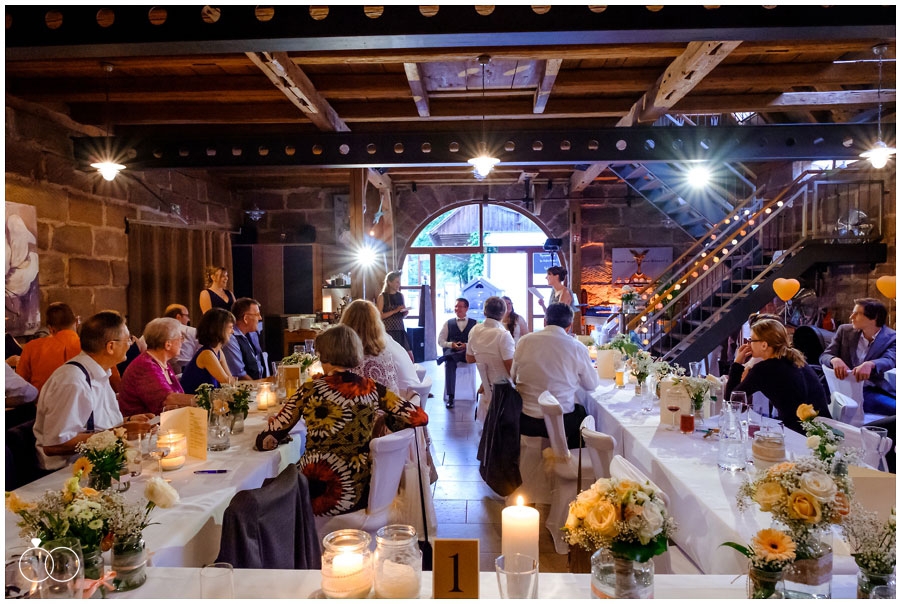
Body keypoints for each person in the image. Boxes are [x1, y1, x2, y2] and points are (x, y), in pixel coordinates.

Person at [254, 325, 428, 516]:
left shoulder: (309, 389)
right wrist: (386, 421)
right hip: (359, 492)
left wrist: (273, 435)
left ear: (323, 355)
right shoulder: (372, 388)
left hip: (315, 495)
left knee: (267, 489)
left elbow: (266, 439)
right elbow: (420, 417)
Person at [33, 311, 153, 471]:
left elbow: (94, 424)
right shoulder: (73, 381)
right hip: (68, 473)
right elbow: (54, 444)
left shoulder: (99, 373)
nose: (130, 344)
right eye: (128, 339)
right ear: (111, 346)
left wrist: (128, 421)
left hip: (102, 462)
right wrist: (119, 433)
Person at [512, 303, 599, 448]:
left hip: (527, 420)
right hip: (562, 423)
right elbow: (591, 385)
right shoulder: (577, 347)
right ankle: (567, 456)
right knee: (584, 414)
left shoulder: (524, 341)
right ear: (569, 326)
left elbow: (514, 377)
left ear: (545, 321)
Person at [727, 318, 830, 434]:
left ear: (764, 345)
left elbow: (732, 402)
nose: (748, 344)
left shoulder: (762, 370)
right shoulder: (797, 360)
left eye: (751, 340)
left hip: (799, 435)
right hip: (824, 431)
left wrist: (737, 364)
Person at [820, 298, 896, 415]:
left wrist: (871, 364)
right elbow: (824, 356)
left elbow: (890, 359)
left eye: (857, 313)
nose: (851, 317)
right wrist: (834, 360)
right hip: (840, 388)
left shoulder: (892, 337)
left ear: (874, 317)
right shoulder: (845, 331)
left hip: (868, 389)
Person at [118, 318, 196, 417]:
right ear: (168, 344)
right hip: (142, 424)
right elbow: (167, 399)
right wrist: (205, 400)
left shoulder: (163, 363)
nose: (182, 342)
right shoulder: (145, 365)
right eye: (180, 338)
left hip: (163, 422)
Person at [16, 302, 81, 392]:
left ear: (50, 329)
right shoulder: (89, 347)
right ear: (76, 322)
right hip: (81, 400)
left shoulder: (32, 347)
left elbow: (20, 386)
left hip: (41, 400)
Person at [340, 299, 400, 393]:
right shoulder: (386, 356)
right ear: (376, 326)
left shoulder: (343, 361)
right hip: (389, 401)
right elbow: (394, 391)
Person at [180, 308, 236, 395]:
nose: (233, 331)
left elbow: (230, 380)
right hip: (193, 401)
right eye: (230, 327)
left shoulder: (218, 351)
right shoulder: (207, 354)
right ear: (220, 329)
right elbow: (227, 382)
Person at [436, 297, 477, 409]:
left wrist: (466, 345)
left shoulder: (475, 324)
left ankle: (445, 358)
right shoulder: (448, 323)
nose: (457, 309)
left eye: (460, 306)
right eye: (456, 306)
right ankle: (451, 397)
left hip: (467, 354)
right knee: (450, 363)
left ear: (466, 308)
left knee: (450, 357)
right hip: (453, 352)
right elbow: (440, 341)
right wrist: (451, 345)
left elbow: (478, 342)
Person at [467, 296, 515, 386]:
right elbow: (511, 371)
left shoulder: (474, 330)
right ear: (504, 312)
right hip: (505, 389)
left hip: (487, 388)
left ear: (484, 312)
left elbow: (469, 358)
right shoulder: (503, 335)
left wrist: (485, 357)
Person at [223, 298, 265, 381]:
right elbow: (239, 375)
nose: (260, 318)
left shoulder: (249, 335)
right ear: (245, 318)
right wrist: (260, 387)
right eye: (257, 314)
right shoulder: (231, 339)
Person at [375, 270, 412, 357]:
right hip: (388, 331)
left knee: (406, 356)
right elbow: (378, 316)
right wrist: (394, 311)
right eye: (397, 282)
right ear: (389, 282)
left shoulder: (400, 296)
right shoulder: (382, 297)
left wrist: (405, 313)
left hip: (400, 330)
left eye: (399, 282)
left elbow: (402, 316)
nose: (399, 284)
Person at [164, 303, 200, 374]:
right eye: (187, 316)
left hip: (162, 371)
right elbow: (201, 353)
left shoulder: (155, 331)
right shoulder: (192, 331)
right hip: (188, 372)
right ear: (178, 317)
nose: (189, 319)